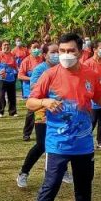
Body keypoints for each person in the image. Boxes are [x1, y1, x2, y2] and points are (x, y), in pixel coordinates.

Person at [27, 33, 101, 201]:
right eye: (62, 51)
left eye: (71, 51)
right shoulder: (49, 75)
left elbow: (98, 97)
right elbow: (30, 102)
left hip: (83, 144)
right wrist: (45, 102)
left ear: (81, 52)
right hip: (57, 143)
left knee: (83, 185)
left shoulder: (90, 74)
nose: (65, 55)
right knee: (51, 185)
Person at [17, 43, 70, 189]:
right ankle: (23, 173)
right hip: (43, 110)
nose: (56, 55)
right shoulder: (40, 69)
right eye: (53, 52)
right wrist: (50, 90)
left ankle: (64, 171)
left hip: (60, 111)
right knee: (42, 145)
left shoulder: (64, 68)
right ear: (45, 55)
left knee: (62, 141)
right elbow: (33, 87)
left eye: (58, 51)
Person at [17, 43, 44, 142]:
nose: (36, 49)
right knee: (31, 112)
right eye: (34, 47)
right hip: (30, 90)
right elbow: (20, 76)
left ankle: (42, 133)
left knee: (43, 111)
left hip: (42, 89)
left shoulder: (42, 60)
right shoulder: (26, 61)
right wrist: (33, 78)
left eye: (38, 47)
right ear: (29, 49)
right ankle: (26, 133)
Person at [0, 40, 18, 117]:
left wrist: (17, 72)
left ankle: (13, 112)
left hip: (11, 78)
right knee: (1, 95)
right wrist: (0, 72)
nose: (6, 46)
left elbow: (15, 66)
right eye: (4, 45)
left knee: (12, 95)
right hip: (1, 78)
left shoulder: (12, 55)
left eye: (7, 45)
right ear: (1, 46)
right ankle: (0, 112)